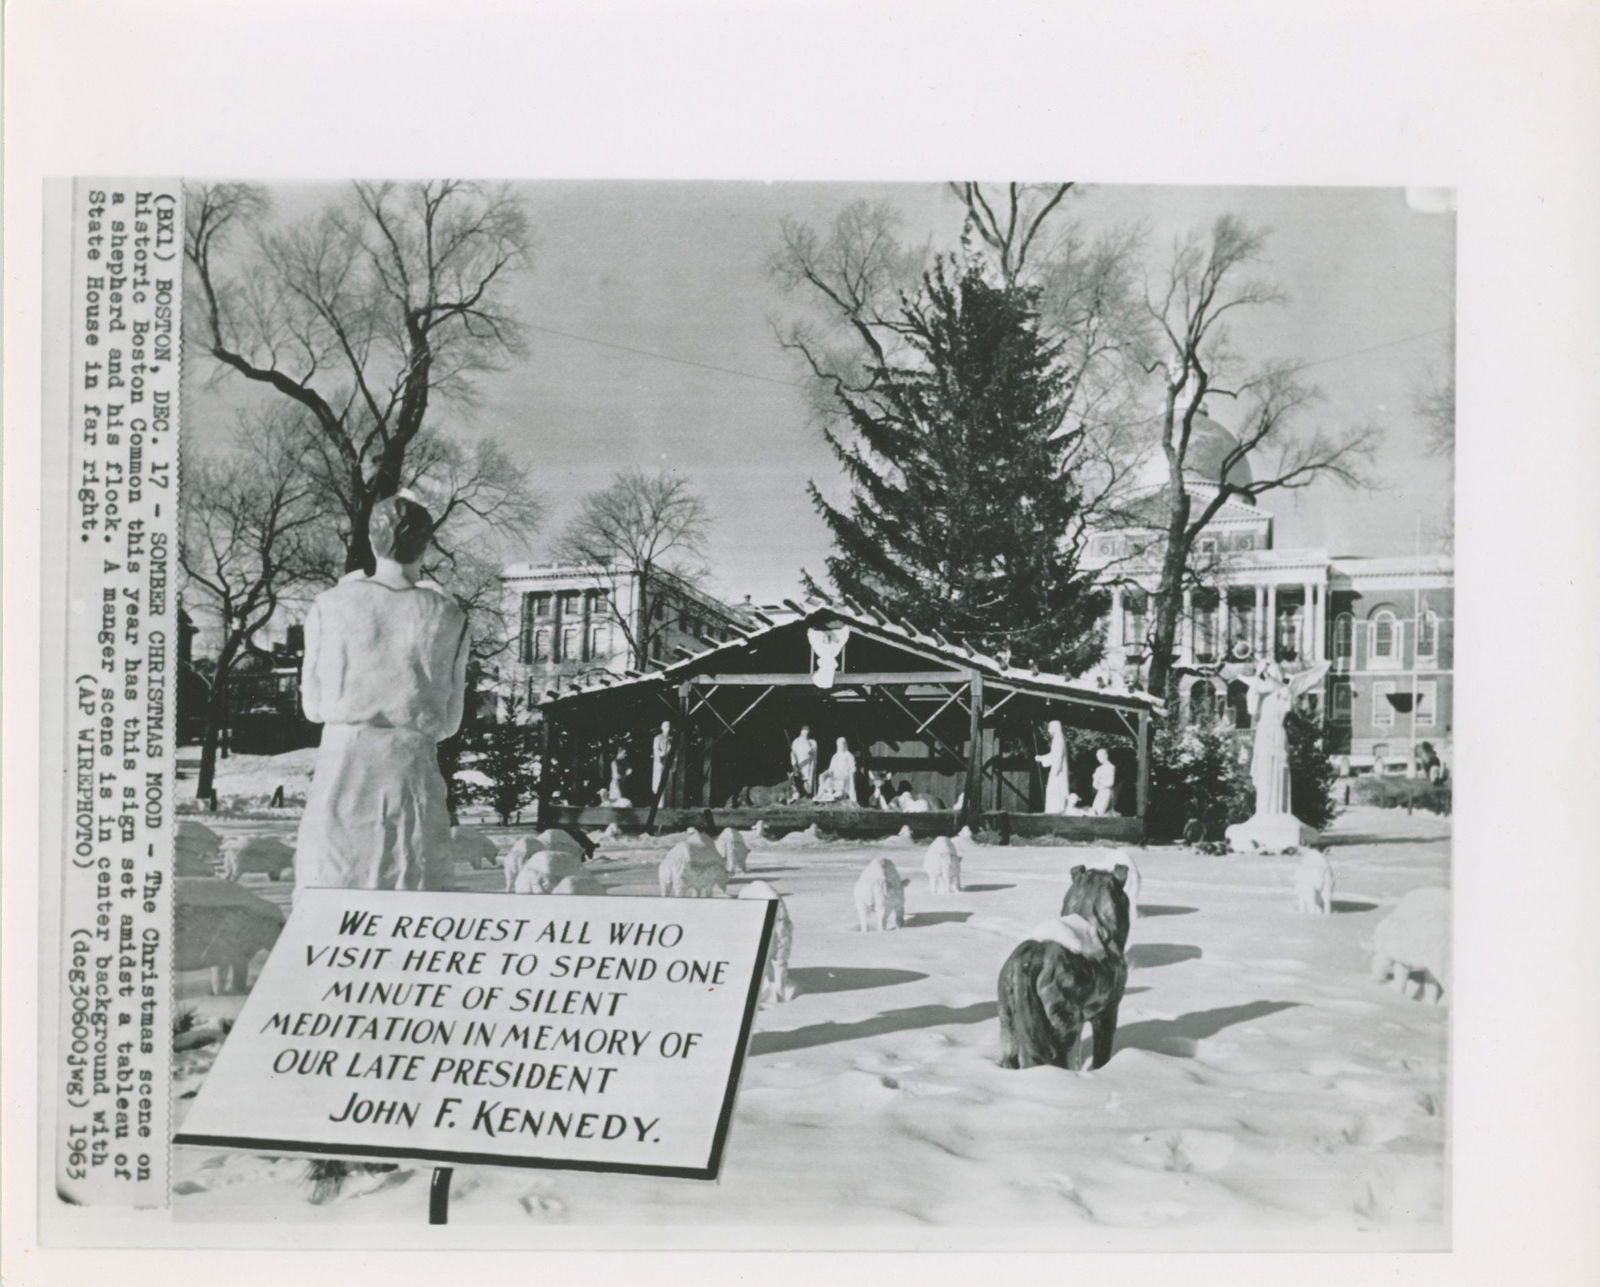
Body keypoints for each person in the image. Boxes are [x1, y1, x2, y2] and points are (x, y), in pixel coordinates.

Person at [295, 494, 469, 893]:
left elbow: (311, 706)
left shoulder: (329, 604)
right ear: (425, 545)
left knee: (333, 889)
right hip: (411, 771)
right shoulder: (450, 616)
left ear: (373, 542)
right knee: (411, 887)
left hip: (344, 767)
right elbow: (451, 720)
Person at [1238, 660, 1330, 818]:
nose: (1269, 675)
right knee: (1265, 771)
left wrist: (1260, 677)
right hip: (1264, 733)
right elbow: (1252, 708)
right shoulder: (1260, 690)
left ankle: (1278, 811)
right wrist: (1257, 678)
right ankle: (1264, 812)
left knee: (1279, 770)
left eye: (1272, 672)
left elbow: (1279, 695)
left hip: (1275, 732)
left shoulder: (1282, 690)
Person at [1036, 719, 1071, 814]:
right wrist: (1041, 758)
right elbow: (1053, 755)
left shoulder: (1058, 740)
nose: (1049, 731)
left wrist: (1056, 769)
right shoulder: (1057, 740)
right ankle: (1054, 809)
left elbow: (1058, 756)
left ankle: (1056, 810)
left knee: (1055, 789)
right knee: (1053, 790)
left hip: (1057, 771)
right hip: (1056, 769)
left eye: (1050, 728)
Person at [815, 736, 858, 804]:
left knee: (837, 780)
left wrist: (851, 772)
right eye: (839, 744)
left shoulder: (849, 755)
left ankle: (837, 794)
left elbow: (853, 767)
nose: (841, 746)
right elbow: (831, 768)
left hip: (845, 775)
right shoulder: (835, 756)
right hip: (835, 775)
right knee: (823, 777)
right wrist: (826, 773)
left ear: (845, 745)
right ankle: (826, 795)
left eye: (842, 744)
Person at [790, 725, 818, 797]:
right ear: (801, 732)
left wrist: (811, 751)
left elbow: (812, 754)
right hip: (798, 762)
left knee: (807, 779)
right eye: (803, 731)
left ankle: (808, 794)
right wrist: (794, 765)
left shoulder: (811, 742)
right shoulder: (796, 741)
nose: (805, 733)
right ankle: (799, 794)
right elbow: (793, 753)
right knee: (797, 778)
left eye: (807, 732)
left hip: (807, 764)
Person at [1090, 747, 1117, 816]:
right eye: (1097, 757)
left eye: (1099, 756)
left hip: (1107, 792)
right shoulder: (1098, 769)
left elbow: (1111, 782)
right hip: (1100, 792)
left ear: (1106, 755)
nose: (1098, 758)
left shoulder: (1111, 767)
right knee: (1094, 811)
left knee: (1101, 812)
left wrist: (1100, 784)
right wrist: (1096, 782)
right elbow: (1095, 784)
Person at [651, 720, 672, 796]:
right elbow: (656, 750)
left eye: (669, 726)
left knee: (668, 784)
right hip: (660, 763)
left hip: (668, 763)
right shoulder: (658, 738)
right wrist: (661, 754)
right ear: (662, 727)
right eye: (666, 726)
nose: (668, 728)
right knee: (659, 782)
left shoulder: (671, 739)